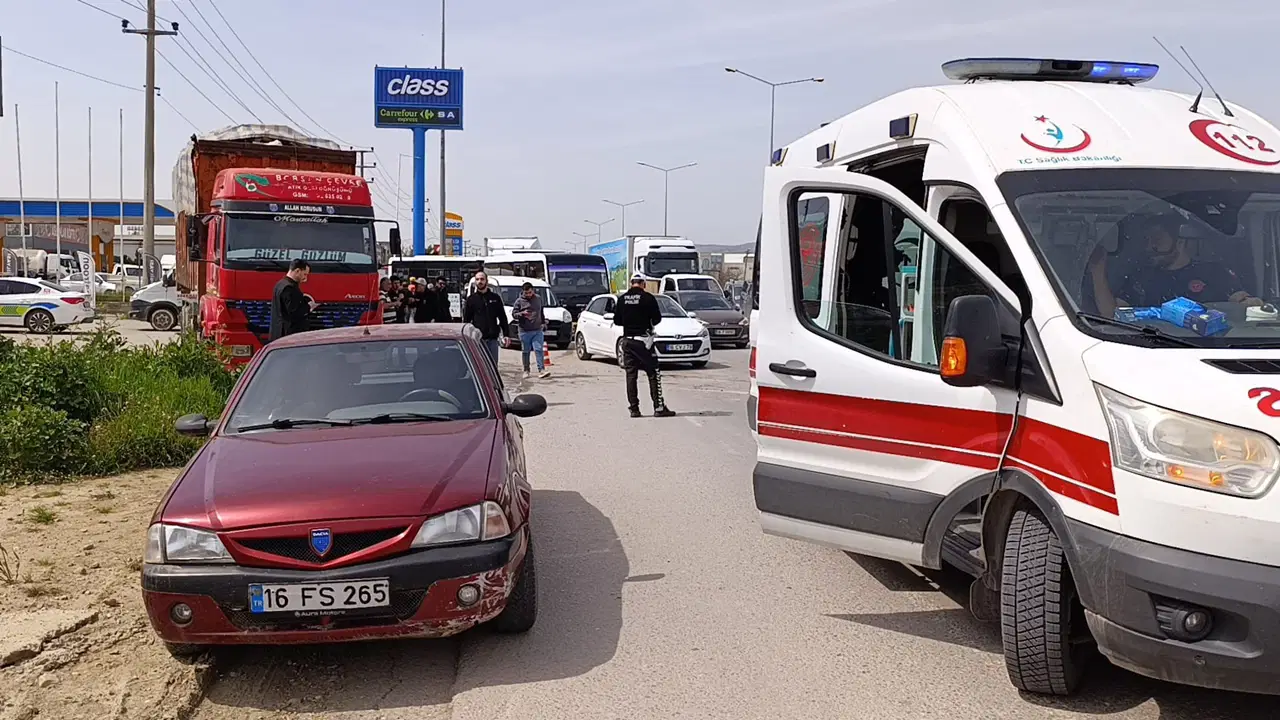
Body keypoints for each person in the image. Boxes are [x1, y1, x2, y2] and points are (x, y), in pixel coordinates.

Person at [1089, 215, 1262, 317]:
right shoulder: (1141, 278)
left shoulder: (1215, 272)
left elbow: (1244, 304)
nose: (1150, 247)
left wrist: (1248, 304)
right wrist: (1098, 271)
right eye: (1146, 241)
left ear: (1180, 242)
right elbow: (1112, 315)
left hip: (1212, 346)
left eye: (1157, 240)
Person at [613, 273, 675, 418]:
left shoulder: (622, 299)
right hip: (644, 341)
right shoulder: (648, 298)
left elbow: (617, 321)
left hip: (627, 341)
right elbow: (657, 318)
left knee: (631, 375)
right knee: (653, 373)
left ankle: (634, 409)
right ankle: (659, 407)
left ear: (631, 283)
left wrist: (630, 323)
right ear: (644, 284)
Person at [463, 271, 509, 370]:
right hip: (477, 340)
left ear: (486, 281)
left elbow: (502, 317)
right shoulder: (471, 299)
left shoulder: (495, 298)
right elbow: (466, 321)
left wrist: (506, 334)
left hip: (492, 340)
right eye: (477, 279)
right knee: (478, 368)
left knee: (492, 368)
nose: (480, 281)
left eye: (482, 279)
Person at [269, 259, 317, 342]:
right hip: (288, 336)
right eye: (304, 274)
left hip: (280, 334)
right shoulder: (289, 288)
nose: (305, 278)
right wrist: (309, 307)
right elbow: (294, 312)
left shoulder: (280, 284)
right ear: (297, 271)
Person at [512, 281, 551, 379]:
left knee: (538, 350)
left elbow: (541, 312)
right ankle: (526, 370)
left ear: (533, 291)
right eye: (526, 293)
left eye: (530, 292)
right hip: (524, 331)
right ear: (523, 292)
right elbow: (514, 314)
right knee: (526, 351)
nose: (528, 295)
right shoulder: (519, 301)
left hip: (537, 330)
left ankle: (541, 370)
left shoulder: (538, 299)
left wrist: (543, 323)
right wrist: (522, 314)